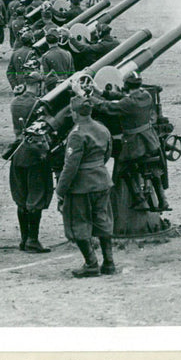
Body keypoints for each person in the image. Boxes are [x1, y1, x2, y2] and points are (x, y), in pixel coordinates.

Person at [55, 95, 116, 277]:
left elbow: (70, 166)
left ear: (74, 113)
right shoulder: (102, 129)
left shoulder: (76, 134)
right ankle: (109, 262)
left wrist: (60, 190)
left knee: (79, 223)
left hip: (81, 186)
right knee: (102, 220)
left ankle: (91, 264)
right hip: (102, 180)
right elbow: (107, 153)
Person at [92, 71, 167, 211]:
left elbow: (106, 107)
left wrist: (89, 98)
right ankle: (163, 201)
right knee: (153, 169)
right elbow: (124, 97)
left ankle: (139, 199)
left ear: (125, 85)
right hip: (150, 141)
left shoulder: (127, 103)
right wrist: (102, 92)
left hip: (135, 144)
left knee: (123, 166)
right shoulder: (146, 95)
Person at [9, 72, 53, 252]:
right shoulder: (39, 104)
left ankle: (24, 239)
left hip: (18, 153)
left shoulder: (15, 102)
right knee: (36, 197)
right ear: (39, 85)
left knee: (22, 197)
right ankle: (33, 240)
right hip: (35, 156)